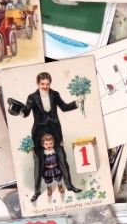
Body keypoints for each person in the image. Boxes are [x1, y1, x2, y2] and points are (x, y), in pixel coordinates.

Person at [11, 72, 82, 202]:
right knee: (38, 163)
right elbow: (25, 113)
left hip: (55, 132)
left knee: (62, 159)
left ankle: (70, 186)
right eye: (42, 84)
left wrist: (78, 102)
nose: (45, 86)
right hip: (38, 133)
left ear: (50, 83)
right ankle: (37, 191)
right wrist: (17, 110)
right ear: (37, 83)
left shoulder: (55, 94)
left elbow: (64, 107)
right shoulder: (32, 97)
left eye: (47, 84)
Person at [38, 133, 64, 198]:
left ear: (53, 143)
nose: (49, 145)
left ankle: (60, 187)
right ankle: (49, 189)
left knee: (58, 178)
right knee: (48, 179)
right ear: (43, 144)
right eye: (46, 144)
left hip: (56, 168)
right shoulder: (43, 153)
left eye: (51, 143)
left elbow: (59, 158)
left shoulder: (55, 151)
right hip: (47, 170)